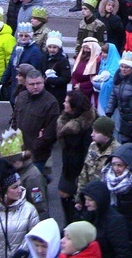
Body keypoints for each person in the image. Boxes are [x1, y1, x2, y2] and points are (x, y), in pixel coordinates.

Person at [57, 90, 95, 221]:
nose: (64, 103)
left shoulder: (87, 125)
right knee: (63, 193)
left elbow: (88, 149)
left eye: (66, 102)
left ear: (74, 106)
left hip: (80, 166)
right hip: (68, 165)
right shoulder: (65, 118)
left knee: (83, 199)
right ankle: (69, 221)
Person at [12, 70, 59, 173]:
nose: (36, 87)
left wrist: (30, 151)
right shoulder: (21, 97)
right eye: (32, 84)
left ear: (43, 82)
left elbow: (50, 134)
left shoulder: (51, 103)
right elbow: (15, 119)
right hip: (19, 150)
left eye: (39, 83)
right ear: (25, 84)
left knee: (34, 182)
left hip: (37, 155)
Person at [78, 180, 132, 258]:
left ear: (99, 200)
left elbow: (122, 252)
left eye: (90, 200)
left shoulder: (115, 221)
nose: (86, 203)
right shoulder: (88, 214)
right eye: (85, 199)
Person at [76, 117, 120, 200]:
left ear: (106, 135)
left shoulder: (117, 152)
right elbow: (84, 173)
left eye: (96, 132)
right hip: (90, 195)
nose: (92, 134)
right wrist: (79, 197)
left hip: (106, 199)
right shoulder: (92, 146)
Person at [0, 22, 43, 107]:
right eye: (21, 35)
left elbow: (35, 71)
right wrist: (3, 80)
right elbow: (10, 65)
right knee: (14, 104)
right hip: (15, 83)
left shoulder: (35, 51)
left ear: (30, 36)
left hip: (25, 86)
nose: (23, 38)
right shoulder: (16, 47)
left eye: (26, 36)